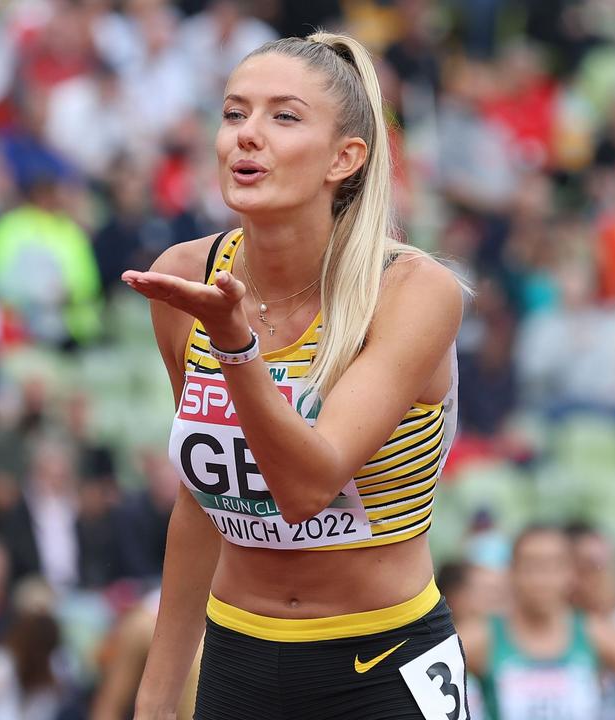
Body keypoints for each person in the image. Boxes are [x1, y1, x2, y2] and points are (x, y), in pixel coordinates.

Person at [122, 33, 466, 720]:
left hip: (381, 665)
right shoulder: (187, 276)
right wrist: (157, 699)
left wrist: (238, 349)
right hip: (238, 658)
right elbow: (202, 506)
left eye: (283, 117)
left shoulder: (413, 291)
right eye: (233, 114)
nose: (248, 136)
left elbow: (308, 485)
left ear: (346, 157)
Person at [458, 526, 615, 719]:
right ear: (512, 572)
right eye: (531, 566)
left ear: (570, 574)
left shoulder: (594, 634)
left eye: (553, 566)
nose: (542, 579)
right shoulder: (483, 637)